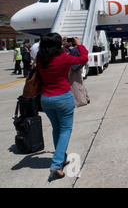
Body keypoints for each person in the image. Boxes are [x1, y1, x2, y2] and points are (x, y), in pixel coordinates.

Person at [37, 33, 88, 179]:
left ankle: (62, 157)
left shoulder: (41, 59)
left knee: (57, 128)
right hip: (62, 97)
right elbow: (83, 58)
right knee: (65, 130)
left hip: (46, 98)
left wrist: (59, 41)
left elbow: (50, 49)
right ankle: (56, 163)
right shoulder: (63, 58)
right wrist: (79, 44)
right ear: (57, 44)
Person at [68, 40, 90, 107]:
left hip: (74, 69)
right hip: (79, 68)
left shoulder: (73, 50)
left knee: (75, 85)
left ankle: (80, 101)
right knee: (81, 83)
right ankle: (86, 98)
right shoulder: (79, 49)